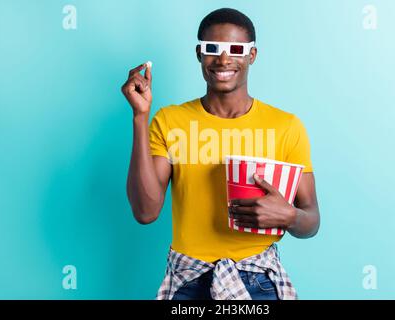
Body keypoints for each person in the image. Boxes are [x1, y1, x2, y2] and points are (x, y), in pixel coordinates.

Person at [121, 8, 320, 300]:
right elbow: (145, 212)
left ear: (252, 56)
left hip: (259, 281)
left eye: (236, 50)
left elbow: (312, 220)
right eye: (212, 49)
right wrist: (140, 116)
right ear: (199, 54)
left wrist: (289, 216)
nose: (223, 60)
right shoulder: (169, 120)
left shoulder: (286, 126)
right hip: (189, 279)